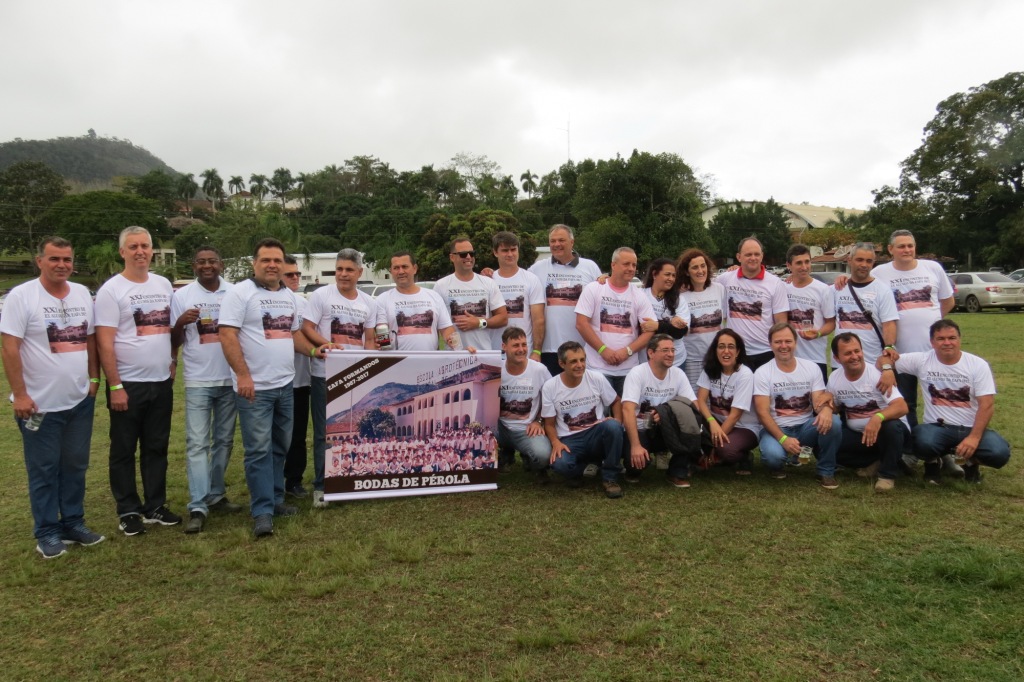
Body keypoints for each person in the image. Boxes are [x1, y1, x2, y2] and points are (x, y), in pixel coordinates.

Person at [1, 237, 103, 558]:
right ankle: (46, 531)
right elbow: (10, 347)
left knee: (75, 466)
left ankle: (73, 523)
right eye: (54, 259)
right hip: (38, 406)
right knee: (44, 470)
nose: (62, 265)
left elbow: (89, 339)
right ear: (40, 261)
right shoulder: (22, 296)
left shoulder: (82, 293)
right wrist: (20, 394)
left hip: (78, 402)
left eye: (67, 259)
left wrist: (93, 379)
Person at [219, 238, 321, 538]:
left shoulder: (288, 295)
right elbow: (227, 335)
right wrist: (243, 375)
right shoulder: (240, 293)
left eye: (277, 260)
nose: (272, 265)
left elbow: (293, 334)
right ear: (255, 263)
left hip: (284, 385)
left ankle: (276, 499)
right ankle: (261, 511)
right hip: (255, 389)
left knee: (279, 447)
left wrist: (314, 351)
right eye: (266, 260)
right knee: (258, 450)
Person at [95, 226, 180, 536]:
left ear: (152, 250)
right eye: (133, 247)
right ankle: (128, 510)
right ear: (122, 252)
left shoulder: (163, 285)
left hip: (160, 382)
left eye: (145, 245)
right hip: (127, 384)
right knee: (123, 449)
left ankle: (155, 505)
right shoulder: (111, 290)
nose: (140, 251)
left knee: (157, 447)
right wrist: (115, 385)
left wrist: (173, 359)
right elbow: (104, 343)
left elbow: (171, 328)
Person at [871, 229, 957, 473]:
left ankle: (945, 453)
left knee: (942, 402)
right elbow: (859, 285)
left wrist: (931, 322)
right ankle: (910, 451)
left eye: (910, 245)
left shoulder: (933, 268)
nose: (906, 250)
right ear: (890, 249)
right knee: (906, 402)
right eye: (901, 246)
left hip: (935, 353)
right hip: (900, 353)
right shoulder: (879, 273)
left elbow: (948, 301)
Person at [170, 247, 241, 534]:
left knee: (224, 441)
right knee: (197, 443)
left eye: (212, 261)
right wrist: (180, 322)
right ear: (194, 265)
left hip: (230, 378)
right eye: (201, 262)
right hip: (198, 380)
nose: (207, 265)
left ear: (221, 264)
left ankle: (216, 494)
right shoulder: (182, 296)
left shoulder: (235, 292)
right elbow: (173, 339)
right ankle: (198, 505)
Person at [890, 319, 1010, 484]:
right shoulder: (923, 360)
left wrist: (974, 438)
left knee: (999, 453)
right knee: (921, 440)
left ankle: (970, 462)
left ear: (959, 339)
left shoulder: (977, 365)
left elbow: (987, 405)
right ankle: (932, 462)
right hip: (938, 427)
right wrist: (886, 370)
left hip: (970, 427)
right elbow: (884, 360)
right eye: (941, 339)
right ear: (932, 342)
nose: (947, 343)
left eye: (952, 338)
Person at [302, 248, 377, 507]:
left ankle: (349, 478)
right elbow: (307, 328)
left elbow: (369, 339)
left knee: (353, 429)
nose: (343, 274)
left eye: (349, 270)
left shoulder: (369, 303)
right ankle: (321, 486)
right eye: (339, 269)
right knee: (323, 432)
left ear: (359, 272)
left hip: (355, 375)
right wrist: (325, 344)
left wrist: (370, 366)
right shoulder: (321, 295)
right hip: (324, 374)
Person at [753, 322, 841, 488]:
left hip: (805, 427)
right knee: (773, 457)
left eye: (788, 341)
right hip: (777, 428)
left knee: (834, 422)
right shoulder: (762, 372)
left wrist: (826, 410)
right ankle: (780, 463)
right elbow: (762, 413)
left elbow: (819, 403)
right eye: (778, 342)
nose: (783, 346)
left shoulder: (811, 368)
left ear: (795, 342)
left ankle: (825, 471)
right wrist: (783, 439)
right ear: (770, 344)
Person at [541, 341, 626, 499]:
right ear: (561, 363)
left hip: (596, 432)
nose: (580, 365)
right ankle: (582, 468)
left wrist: (618, 422)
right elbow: (549, 424)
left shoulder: (596, 377)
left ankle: (610, 478)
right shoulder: (550, 386)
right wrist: (555, 442)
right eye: (573, 361)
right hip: (569, 439)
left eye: (582, 360)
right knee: (560, 465)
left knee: (613, 427)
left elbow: (616, 401)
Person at [828, 333, 910, 492]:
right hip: (861, 435)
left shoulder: (878, 375)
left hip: (889, 433)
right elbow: (836, 407)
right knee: (824, 445)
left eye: (857, 351)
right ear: (837, 358)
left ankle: (886, 476)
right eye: (848, 353)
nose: (854, 356)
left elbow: (902, 407)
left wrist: (878, 417)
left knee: (891, 427)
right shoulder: (834, 378)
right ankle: (876, 461)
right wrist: (827, 403)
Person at [574, 247, 656, 395]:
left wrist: (627, 351)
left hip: (629, 370)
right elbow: (581, 323)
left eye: (634, 265)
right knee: (601, 410)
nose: (631, 268)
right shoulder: (594, 289)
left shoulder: (639, 295)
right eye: (626, 264)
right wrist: (603, 350)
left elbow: (649, 331)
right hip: (597, 368)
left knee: (628, 408)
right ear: (613, 265)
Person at [622, 334, 698, 487]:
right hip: (640, 429)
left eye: (672, 350)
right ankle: (632, 467)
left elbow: (693, 406)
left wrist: (666, 412)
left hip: (666, 428)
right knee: (636, 465)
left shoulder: (678, 374)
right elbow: (627, 409)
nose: (670, 354)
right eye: (665, 350)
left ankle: (677, 472)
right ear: (651, 353)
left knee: (691, 422)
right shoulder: (637, 373)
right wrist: (635, 446)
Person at [529, 224, 602, 376]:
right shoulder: (537, 268)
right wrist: (490, 274)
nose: (557, 244)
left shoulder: (590, 267)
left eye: (561, 240)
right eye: (553, 241)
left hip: (582, 348)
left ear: (572, 242)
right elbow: (518, 279)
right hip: (549, 349)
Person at [717, 236, 789, 371]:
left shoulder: (775, 283)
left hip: (765, 352)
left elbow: (781, 322)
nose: (753, 258)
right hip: (736, 352)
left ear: (762, 256)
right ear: (739, 257)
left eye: (757, 254)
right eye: (748, 254)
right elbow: (701, 285)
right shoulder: (725, 279)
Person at [695, 329, 760, 475]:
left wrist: (714, 445)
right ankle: (703, 457)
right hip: (717, 422)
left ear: (738, 352)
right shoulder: (710, 369)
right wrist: (711, 421)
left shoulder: (745, 374)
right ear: (715, 350)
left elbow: (735, 416)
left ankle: (744, 457)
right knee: (692, 421)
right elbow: (701, 401)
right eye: (721, 346)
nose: (726, 351)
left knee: (725, 450)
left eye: (731, 347)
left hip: (743, 427)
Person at [832, 242, 899, 376]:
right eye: (859, 260)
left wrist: (889, 346)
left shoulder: (882, 290)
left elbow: (889, 323)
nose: (864, 265)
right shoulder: (837, 288)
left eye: (869, 261)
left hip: (872, 361)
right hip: (842, 364)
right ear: (849, 260)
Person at [375, 251, 461, 351]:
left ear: (415, 268)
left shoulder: (434, 296)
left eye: (405, 267)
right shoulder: (382, 300)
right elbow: (381, 331)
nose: (401, 271)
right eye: (396, 268)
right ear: (391, 271)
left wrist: (456, 345)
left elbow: (446, 329)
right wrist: (380, 343)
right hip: (397, 360)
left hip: (430, 359)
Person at [433, 236, 507, 351]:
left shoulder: (488, 283)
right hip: (455, 355)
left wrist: (479, 323)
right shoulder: (441, 286)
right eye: (463, 254)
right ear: (452, 257)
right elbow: (436, 325)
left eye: (471, 253)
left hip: (484, 353)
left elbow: (503, 318)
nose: (468, 257)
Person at [497, 327, 552, 476]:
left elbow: (551, 398)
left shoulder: (539, 370)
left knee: (543, 456)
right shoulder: (496, 368)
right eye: (516, 345)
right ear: (504, 347)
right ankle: (503, 453)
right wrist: (470, 351)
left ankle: (528, 456)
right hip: (499, 427)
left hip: (526, 428)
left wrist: (539, 421)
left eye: (524, 345)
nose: (521, 349)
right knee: (476, 434)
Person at [281, 256, 313, 501]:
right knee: (274, 436)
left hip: (301, 379)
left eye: (297, 274)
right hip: (274, 381)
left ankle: (294, 480)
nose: (294, 278)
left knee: (298, 435)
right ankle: (272, 481)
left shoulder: (304, 303)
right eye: (289, 274)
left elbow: (310, 335)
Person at [784, 244, 835, 382]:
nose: (804, 267)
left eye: (807, 262)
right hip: (789, 358)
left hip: (815, 358)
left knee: (817, 396)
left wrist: (817, 333)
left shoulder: (823, 290)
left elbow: (831, 323)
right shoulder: (783, 288)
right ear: (789, 265)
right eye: (799, 263)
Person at [490, 231, 545, 357]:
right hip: (494, 351)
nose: (510, 254)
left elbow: (538, 320)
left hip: (524, 351)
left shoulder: (531, 279)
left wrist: (537, 351)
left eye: (513, 249)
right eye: (505, 250)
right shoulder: (488, 280)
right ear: (495, 252)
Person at [677, 248, 725, 392]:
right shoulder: (680, 296)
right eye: (695, 267)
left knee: (716, 397)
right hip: (692, 359)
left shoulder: (719, 289)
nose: (700, 271)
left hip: (716, 357)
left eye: (703, 266)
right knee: (695, 399)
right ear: (687, 272)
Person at [638, 258, 688, 365]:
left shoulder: (679, 299)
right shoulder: (640, 294)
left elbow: (680, 332)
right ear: (654, 274)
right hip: (647, 361)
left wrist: (657, 326)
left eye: (673, 275)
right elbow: (641, 326)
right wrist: (669, 324)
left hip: (675, 362)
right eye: (667, 274)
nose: (671, 279)